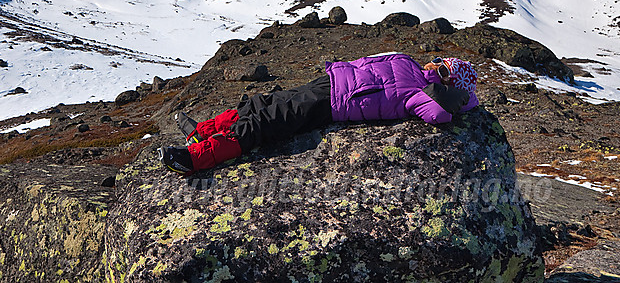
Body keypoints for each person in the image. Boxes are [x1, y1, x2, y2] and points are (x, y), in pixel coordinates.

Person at [158, 54, 479, 175]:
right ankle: (202, 130)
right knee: (259, 104)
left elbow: (439, 115)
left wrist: (456, 99)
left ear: (449, 81)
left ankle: (197, 158)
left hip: (336, 104)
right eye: (437, 59)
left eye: (441, 66)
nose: (432, 62)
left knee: (266, 123)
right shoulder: (410, 64)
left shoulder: (423, 95)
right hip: (330, 81)